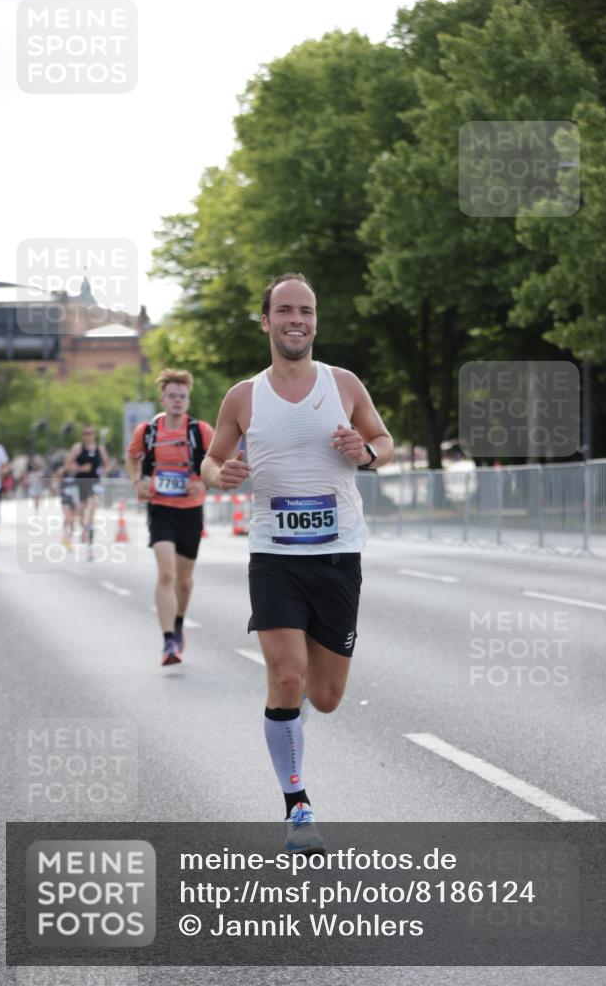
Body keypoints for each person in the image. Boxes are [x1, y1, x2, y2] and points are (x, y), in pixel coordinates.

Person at [201, 273, 394, 852]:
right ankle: (298, 805)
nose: (296, 320)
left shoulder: (344, 384)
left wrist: (366, 454)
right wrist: (221, 475)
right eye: (284, 310)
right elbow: (211, 463)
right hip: (274, 555)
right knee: (286, 675)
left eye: (305, 311)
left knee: (326, 696)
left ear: (315, 321)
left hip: (338, 556)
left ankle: (292, 717)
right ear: (266, 321)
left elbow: (383, 441)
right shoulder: (243, 396)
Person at [126, 369, 214, 667]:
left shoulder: (200, 431)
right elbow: (132, 456)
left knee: (185, 580)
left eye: (182, 396)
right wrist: (137, 481)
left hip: (190, 509)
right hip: (160, 507)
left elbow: (219, 460)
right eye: (172, 396)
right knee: (166, 574)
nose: (177, 400)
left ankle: (178, 622)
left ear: (188, 401)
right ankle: (168, 643)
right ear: (163, 399)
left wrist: (203, 481)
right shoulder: (148, 431)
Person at [62, 425, 111, 557]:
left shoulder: (100, 449)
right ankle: (81, 530)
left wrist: (103, 472)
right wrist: (81, 468)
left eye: (90, 433)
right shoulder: (78, 448)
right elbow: (67, 465)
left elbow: (107, 465)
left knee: (91, 515)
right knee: (80, 514)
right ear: (82, 435)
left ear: (94, 435)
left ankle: (90, 548)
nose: (88, 435)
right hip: (80, 484)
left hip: (94, 484)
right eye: (85, 433)